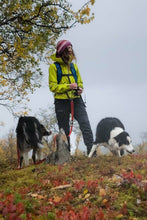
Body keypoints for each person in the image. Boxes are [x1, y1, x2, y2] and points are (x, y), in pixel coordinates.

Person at [49, 40, 93, 155]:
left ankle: (92, 152)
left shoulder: (74, 66)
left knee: (85, 125)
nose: (70, 51)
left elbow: (80, 82)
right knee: (64, 130)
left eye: (71, 49)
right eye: (68, 49)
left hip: (77, 100)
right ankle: (65, 155)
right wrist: (68, 86)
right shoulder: (53, 67)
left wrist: (80, 89)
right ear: (62, 51)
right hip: (61, 103)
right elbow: (52, 87)